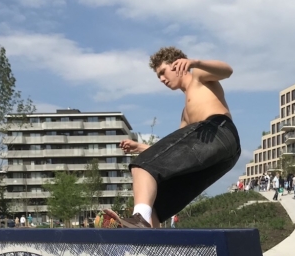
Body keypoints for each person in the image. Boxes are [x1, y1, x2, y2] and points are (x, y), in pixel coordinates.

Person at [103, 47, 240, 228]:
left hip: (219, 130)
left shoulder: (199, 77)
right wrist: (140, 147)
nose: (161, 79)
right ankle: (151, 243)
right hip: (223, 157)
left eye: (163, 72)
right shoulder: (185, 114)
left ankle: (139, 220)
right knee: (156, 203)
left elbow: (227, 71)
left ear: (177, 65)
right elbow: (175, 152)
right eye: (158, 76)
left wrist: (194, 62)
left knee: (141, 166)